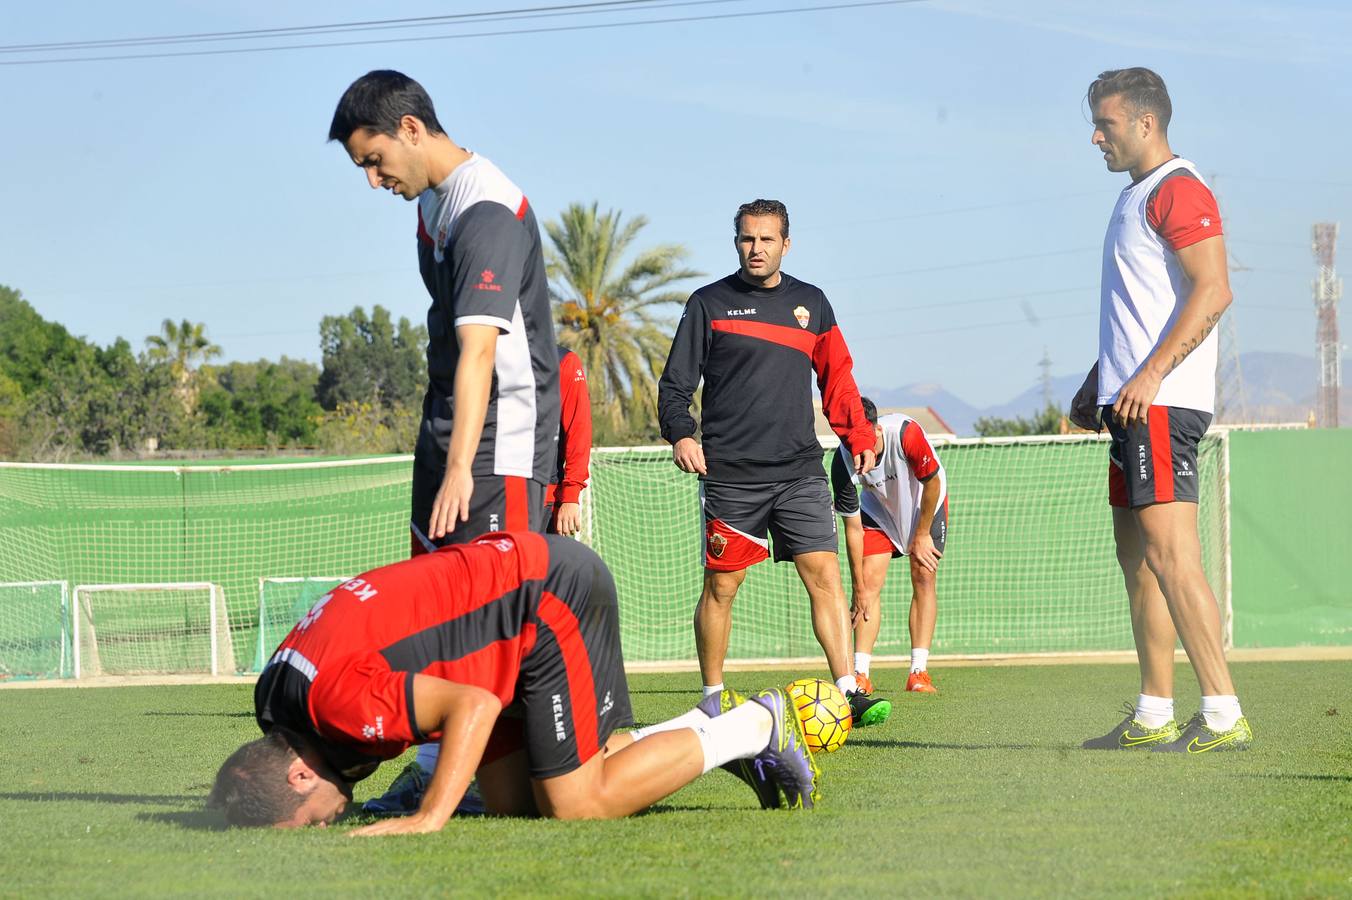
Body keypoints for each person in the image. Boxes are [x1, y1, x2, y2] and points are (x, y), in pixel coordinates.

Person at [209, 532, 823, 832]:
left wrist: (429, 815)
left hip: (546, 600)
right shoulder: (277, 699)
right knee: (512, 803)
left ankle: (752, 726)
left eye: (311, 820)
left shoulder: (336, 706)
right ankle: (698, 728)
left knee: (576, 803)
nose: (325, 825)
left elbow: (469, 704)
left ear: (297, 774)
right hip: (501, 621)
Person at [1069, 67, 1251, 752]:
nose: (1095, 136)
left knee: (1174, 557)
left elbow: (1213, 290)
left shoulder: (1178, 187)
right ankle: (1152, 713)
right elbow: (1143, 309)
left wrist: (1145, 376)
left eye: (1106, 123)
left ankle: (1225, 714)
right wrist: (1102, 381)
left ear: (1145, 123)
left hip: (1164, 406)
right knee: (1138, 560)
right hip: (1129, 405)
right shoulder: (1134, 195)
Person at [657, 199, 890, 727]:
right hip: (732, 477)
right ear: (735, 241)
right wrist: (681, 434)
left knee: (825, 576)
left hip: (800, 473)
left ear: (786, 243)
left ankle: (849, 688)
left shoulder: (812, 304)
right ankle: (711, 698)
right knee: (722, 586)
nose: (755, 249)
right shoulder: (708, 303)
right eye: (746, 239)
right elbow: (675, 384)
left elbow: (838, 377)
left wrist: (858, 436)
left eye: (766, 239)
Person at [327, 70, 559, 553]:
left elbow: (479, 353)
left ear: (410, 130)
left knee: (497, 619)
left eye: (375, 161)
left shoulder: (487, 210)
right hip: (444, 437)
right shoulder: (433, 201)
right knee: (435, 611)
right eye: (362, 169)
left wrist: (459, 469)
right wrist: (444, 459)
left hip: (496, 448)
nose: (373, 181)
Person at [830, 398, 948, 694]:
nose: (858, 449)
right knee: (868, 583)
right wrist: (857, 586)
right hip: (879, 510)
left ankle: (918, 672)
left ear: (878, 430)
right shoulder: (842, 461)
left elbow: (932, 483)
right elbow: (853, 527)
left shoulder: (905, 434)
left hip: (924, 502)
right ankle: (860, 674)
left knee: (923, 574)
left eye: (864, 439)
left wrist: (921, 535)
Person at [544, 345, 592, 537]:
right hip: (492, 493)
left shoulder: (564, 360)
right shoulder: (480, 354)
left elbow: (579, 430)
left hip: (545, 499)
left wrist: (570, 497)